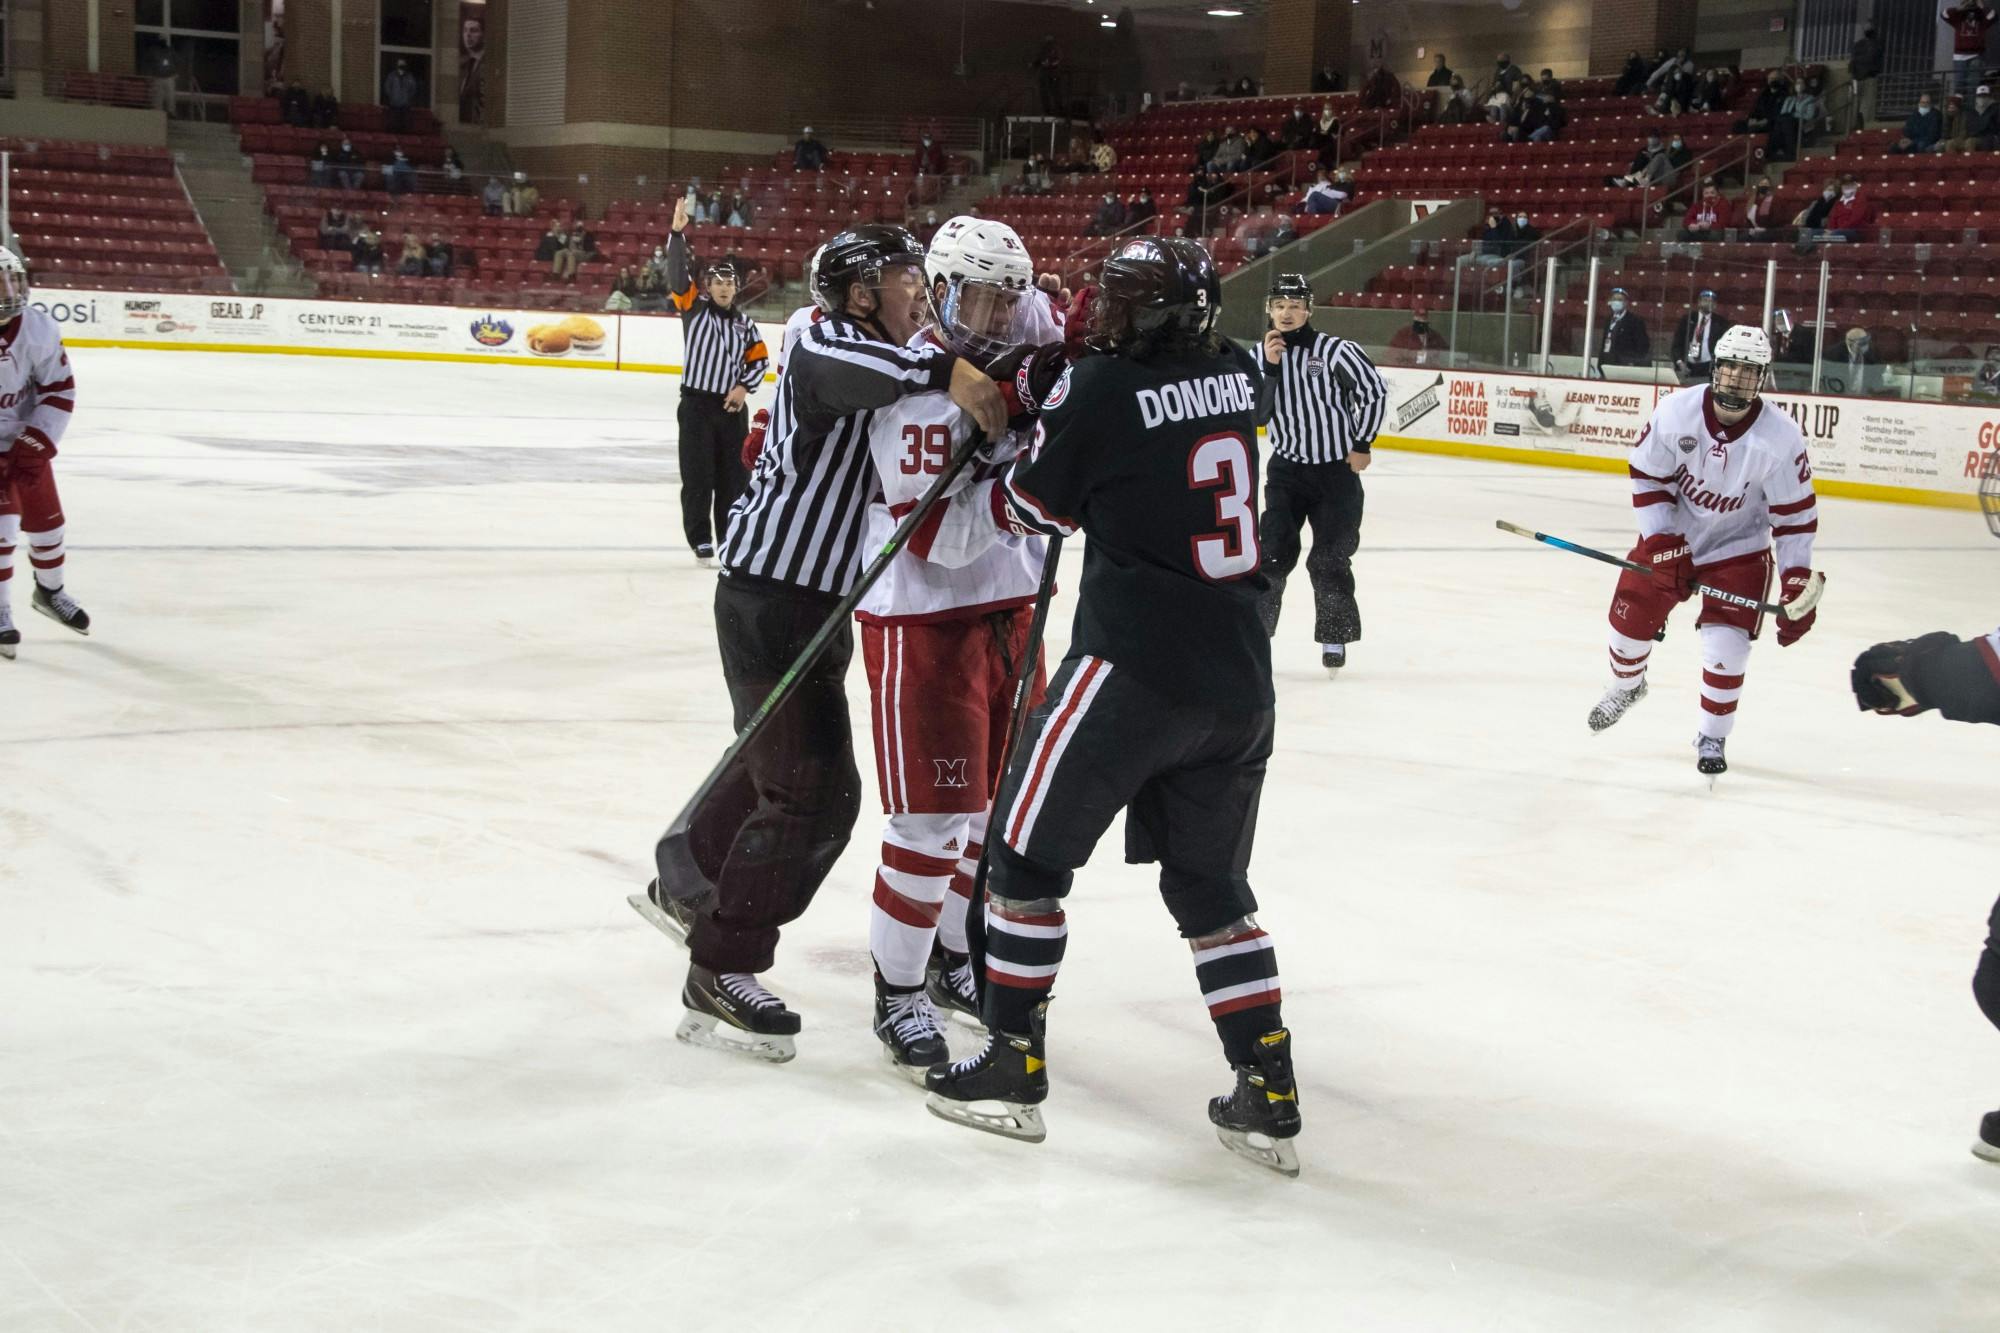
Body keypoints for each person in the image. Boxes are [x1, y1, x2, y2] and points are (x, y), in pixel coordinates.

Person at [923, 236, 1303, 1177]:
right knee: (1212, 892)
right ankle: (1270, 1088)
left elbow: (1031, 508)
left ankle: (1011, 1066)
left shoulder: (1101, 389)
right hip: (1241, 679)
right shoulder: (1240, 371)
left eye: (1116, 304)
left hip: (1133, 669)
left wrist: (1028, 420)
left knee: (1020, 860)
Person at [639, 224, 1009, 1062]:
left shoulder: (875, 341)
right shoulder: (823, 340)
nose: (918, 288)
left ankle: (687, 876)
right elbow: (854, 374)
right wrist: (947, 367)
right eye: (902, 276)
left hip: (812, 600)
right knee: (816, 793)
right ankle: (720, 965)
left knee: (771, 758)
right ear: (858, 293)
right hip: (772, 599)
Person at [847, 216, 1060, 1076]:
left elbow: (1065, 325)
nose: (994, 315)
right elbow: (942, 539)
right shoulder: (916, 393)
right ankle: (896, 992)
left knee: (990, 813)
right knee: (931, 821)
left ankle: (951, 957)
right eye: (976, 294)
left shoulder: (1023, 337)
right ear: (938, 289)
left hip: (1013, 614)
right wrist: (1037, 476)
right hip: (925, 620)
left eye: (1006, 297)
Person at [1586, 326, 1820, 776]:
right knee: (1630, 613)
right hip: (1676, 533)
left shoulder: (1782, 438)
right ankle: (1625, 686)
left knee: (1727, 646)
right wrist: (1660, 542)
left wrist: (1795, 580)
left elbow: (1794, 517)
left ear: (1763, 378)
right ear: (1715, 368)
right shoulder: (1676, 413)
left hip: (1740, 546)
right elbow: (1648, 477)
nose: (1735, 379)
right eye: (1729, 366)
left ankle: (1712, 734)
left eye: (1748, 371)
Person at [1252, 273, 1384, 675]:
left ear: (1308, 310)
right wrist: (1272, 369)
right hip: (1287, 471)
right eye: (1280, 306)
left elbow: (1373, 392)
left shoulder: (1336, 351)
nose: (1287, 313)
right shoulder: (1259, 355)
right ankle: (1256, 636)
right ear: (1270, 310)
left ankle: (1335, 634)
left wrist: (1361, 445)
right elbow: (1259, 414)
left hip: (1335, 475)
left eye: (1295, 306)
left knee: (1330, 559)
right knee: (1272, 556)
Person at [661, 201, 768, 564]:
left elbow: (760, 360)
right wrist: (677, 234)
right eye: (718, 283)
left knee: (733, 480)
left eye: (729, 283)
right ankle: (700, 540)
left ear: (737, 287)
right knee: (697, 478)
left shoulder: (746, 324)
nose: (724, 288)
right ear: (708, 286)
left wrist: (742, 388)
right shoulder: (692, 308)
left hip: (731, 409)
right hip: (695, 407)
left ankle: (729, 538)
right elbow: (676, 273)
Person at [0, 247, 88, 659]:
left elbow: (59, 389)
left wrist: (36, 443)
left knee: (48, 526)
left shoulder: (37, 329)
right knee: (2, 530)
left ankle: (50, 593)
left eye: (12, 280)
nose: (8, 290)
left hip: (24, 442)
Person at [1672, 290, 1734, 383]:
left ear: (1715, 305)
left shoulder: (1721, 323)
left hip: (1708, 366)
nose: (1708, 303)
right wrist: (1680, 362)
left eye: (1711, 301)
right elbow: (1677, 343)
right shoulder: (1688, 319)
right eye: (1705, 300)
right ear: (1699, 302)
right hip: (1687, 365)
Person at [1944, 5, 1999, 100]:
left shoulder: (1981, 18)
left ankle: (1971, 106)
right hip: (1959, 56)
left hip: (1977, 55)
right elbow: (1944, 14)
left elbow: (1993, 16)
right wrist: (1960, 7)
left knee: (1973, 84)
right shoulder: (1958, 18)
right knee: (1959, 84)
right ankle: (1960, 108)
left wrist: (1981, 5)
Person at [1598, 288, 1650, 368]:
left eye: (1619, 299)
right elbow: (1605, 342)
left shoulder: (1635, 321)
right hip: (1607, 363)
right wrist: (1600, 363)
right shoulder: (1608, 320)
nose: (1616, 302)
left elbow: (1642, 346)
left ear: (1625, 302)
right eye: (1614, 299)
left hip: (1624, 365)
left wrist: (1633, 362)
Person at [1849, 25, 1883, 130]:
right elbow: (1876, 61)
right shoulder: (1876, 45)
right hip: (1868, 77)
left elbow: (1853, 60)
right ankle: (1863, 123)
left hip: (1857, 77)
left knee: (1856, 102)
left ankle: (1854, 123)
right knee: (1866, 103)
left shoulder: (1858, 45)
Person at [1826, 174, 1877, 240]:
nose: (1847, 187)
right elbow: (1832, 218)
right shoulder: (1838, 202)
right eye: (1845, 185)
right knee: (1813, 234)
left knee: (1834, 235)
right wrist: (1830, 230)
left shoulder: (1860, 199)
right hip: (1839, 232)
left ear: (1855, 186)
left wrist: (1837, 230)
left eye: (1850, 185)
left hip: (1856, 231)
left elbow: (1855, 219)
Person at [1949, 84, 2000, 149]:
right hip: (1973, 137)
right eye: (1980, 96)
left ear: (1989, 97)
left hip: (1989, 138)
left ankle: (1971, 159)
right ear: (1976, 97)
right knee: (1951, 143)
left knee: (1970, 142)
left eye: (1985, 96)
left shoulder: (1996, 109)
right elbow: (1970, 127)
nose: (1982, 98)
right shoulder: (1972, 111)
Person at [1835, 325, 1880, 393]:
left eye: (1867, 341)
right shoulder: (1834, 355)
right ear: (1851, 343)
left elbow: (1877, 379)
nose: (1866, 345)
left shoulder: (1873, 355)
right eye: (1863, 343)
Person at [382, 57, 419, 135]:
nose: (401, 66)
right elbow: (387, 87)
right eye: (400, 64)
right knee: (393, 123)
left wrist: (408, 97)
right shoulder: (392, 75)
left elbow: (413, 88)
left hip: (405, 105)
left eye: (403, 64)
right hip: (394, 104)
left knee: (404, 124)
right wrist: (392, 96)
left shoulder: (409, 76)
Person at [1034, 35, 1064, 114]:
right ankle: (1049, 109)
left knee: (1054, 92)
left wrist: (1050, 64)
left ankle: (1056, 109)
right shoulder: (1044, 49)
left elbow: (1057, 60)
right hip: (1046, 75)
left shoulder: (1054, 49)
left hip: (1052, 74)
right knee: (1046, 93)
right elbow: (1040, 60)